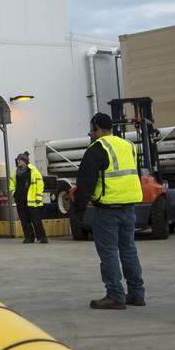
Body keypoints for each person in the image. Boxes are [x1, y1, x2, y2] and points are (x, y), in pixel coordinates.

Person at [72, 111, 144, 310]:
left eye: (91, 129)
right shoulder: (128, 145)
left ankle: (115, 295)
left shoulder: (97, 148)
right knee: (128, 249)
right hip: (129, 207)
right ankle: (137, 293)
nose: (90, 133)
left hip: (107, 209)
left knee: (109, 252)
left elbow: (86, 182)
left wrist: (77, 211)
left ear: (96, 128)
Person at [8, 151, 48, 244]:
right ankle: (29, 237)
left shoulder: (33, 170)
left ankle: (42, 237)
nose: (18, 162)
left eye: (20, 160)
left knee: (36, 219)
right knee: (24, 220)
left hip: (32, 200)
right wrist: (14, 193)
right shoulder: (15, 172)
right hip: (20, 199)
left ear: (25, 161)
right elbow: (12, 184)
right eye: (17, 160)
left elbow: (40, 183)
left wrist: (39, 197)